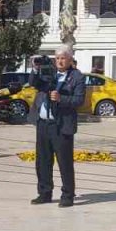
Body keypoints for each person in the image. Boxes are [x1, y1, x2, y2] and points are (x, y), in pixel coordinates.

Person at [28, 46, 85, 208]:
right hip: (43, 124)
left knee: (64, 162)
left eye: (63, 58)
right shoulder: (50, 73)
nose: (60, 61)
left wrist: (61, 98)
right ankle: (44, 193)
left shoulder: (77, 76)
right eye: (57, 58)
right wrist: (35, 68)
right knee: (43, 161)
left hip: (62, 125)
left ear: (70, 60)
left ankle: (67, 195)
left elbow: (79, 100)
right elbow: (34, 83)